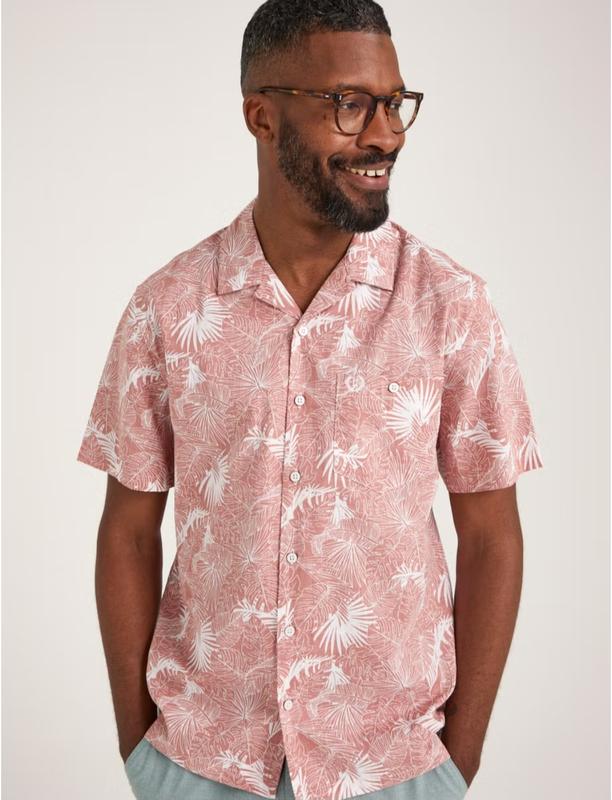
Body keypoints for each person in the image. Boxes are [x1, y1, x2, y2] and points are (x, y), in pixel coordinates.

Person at [76, 1, 544, 799]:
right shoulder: (169, 307)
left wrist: (456, 760)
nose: (385, 135)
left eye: (394, 103)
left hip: (397, 768)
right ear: (262, 116)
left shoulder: (449, 305)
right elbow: (127, 529)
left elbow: (492, 534)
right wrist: (139, 749)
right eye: (350, 103)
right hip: (200, 762)